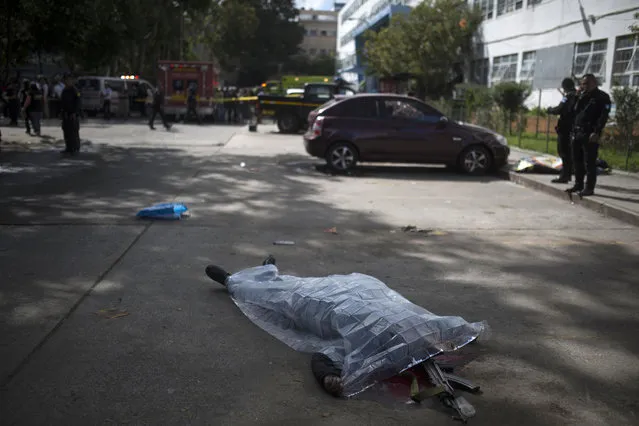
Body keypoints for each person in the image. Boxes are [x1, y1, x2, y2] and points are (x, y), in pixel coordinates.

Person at [568, 74, 612, 197]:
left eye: (586, 83)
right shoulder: (582, 96)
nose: (583, 86)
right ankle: (578, 184)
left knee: (589, 162)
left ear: (594, 83)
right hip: (577, 132)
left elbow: (603, 116)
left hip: (590, 133)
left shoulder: (602, 97)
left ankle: (589, 188)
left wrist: (597, 132)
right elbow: (573, 111)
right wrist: (576, 98)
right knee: (577, 161)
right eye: (582, 84)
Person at [547, 78, 578, 184]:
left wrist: (550, 110)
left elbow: (560, 109)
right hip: (573, 127)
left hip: (565, 128)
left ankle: (564, 176)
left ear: (565, 86)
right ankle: (567, 174)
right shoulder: (577, 95)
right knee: (568, 153)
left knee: (563, 152)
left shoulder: (568, 96)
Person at [60, 73, 81, 154]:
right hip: (65, 114)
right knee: (66, 131)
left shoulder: (75, 90)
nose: (67, 82)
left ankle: (75, 147)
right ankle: (68, 147)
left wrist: (75, 113)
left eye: (69, 80)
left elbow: (78, 102)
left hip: (73, 114)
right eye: (65, 80)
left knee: (74, 132)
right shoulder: (64, 90)